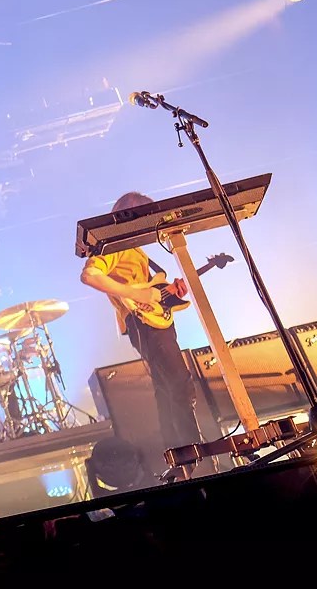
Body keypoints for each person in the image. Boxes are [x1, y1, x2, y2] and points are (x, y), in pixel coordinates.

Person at [79, 192, 202, 479]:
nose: (151, 219)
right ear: (128, 213)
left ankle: (178, 455)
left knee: (166, 387)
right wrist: (137, 294)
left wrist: (170, 291)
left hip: (154, 320)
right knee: (178, 383)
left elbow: (151, 290)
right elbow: (90, 276)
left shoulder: (135, 249)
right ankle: (192, 451)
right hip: (142, 322)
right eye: (146, 212)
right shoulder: (113, 244)